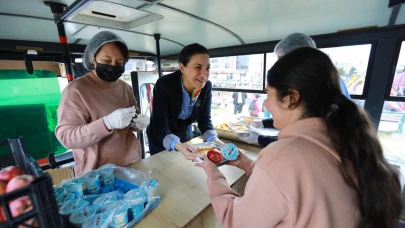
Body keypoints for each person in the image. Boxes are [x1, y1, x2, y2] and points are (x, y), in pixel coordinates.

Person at [196, 47, 403, 228]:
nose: (266, 104)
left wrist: (212, 171)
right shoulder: (346, 139)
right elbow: (294, 189)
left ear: (291, 98)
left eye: (269, 94)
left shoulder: (281, 156)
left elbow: (234, 221)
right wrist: (248, 164)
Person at [56, 31, 148, 177]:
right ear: (92, 59)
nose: (113, 66)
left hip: (131, 165)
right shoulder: (77, 90)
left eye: (119, 63)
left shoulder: (125, 87)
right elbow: (66, 137)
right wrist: (106, 123)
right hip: (97, 174)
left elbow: (130, 123)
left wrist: (137, 124)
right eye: (106, 61)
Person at [240, 33, 351, 147]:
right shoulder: (326, 79)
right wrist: (265, 123)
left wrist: (261, 139)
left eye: (283, 62)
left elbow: (305, 139)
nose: (267, 105)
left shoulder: (315, 86)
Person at [146, 43, 224, 159]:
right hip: (160, 136)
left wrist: (216, 142)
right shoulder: (165, 84)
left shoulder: (206, 87)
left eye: (207, 68)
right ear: (182, 67)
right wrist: (178, 145)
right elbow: (160, 125)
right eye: (198, 67)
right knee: (164, 168)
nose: (204, 75)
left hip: (183, 131)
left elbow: (204, 120)